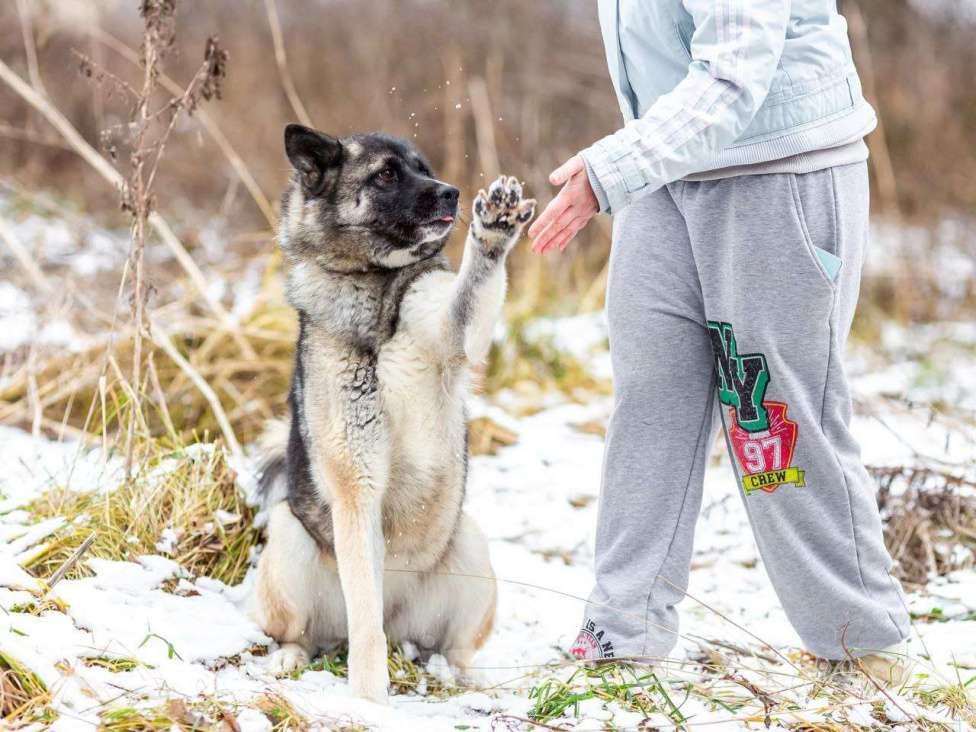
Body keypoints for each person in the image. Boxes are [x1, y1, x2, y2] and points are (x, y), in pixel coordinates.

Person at [528, 0, 910, 682]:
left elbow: (736, 73)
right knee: (650, 400)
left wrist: (611, 169)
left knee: (772, 412)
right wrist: (635, 160)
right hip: (669, 172)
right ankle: (624, 633)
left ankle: (860, 648)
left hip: (780, 170)